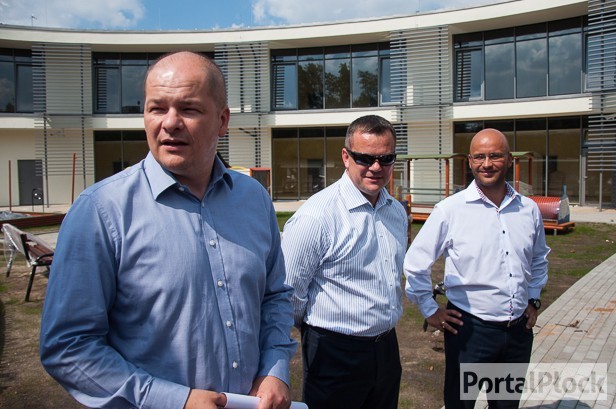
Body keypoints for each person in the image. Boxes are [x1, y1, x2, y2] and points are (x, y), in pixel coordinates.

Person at [40, 51, 297, 409]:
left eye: (189, 109)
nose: (170, 122)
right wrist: (173, 400)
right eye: (157, 108)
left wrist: (275, 368)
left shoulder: (254, 199)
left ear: (222, 120)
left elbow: (274, 297)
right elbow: (69, 346)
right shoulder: (100, 211)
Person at [404, 128, 550, 408]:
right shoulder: (450, 210)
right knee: (461, 404)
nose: (487, 164)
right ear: (470, 162)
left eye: (495, 156)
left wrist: (533, 299)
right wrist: (429, 309)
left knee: (505, 404)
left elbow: (539, 258)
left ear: (509, 160)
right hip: (470, 332)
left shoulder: (528, 209)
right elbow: (415, 264)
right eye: (479, 157)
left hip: (518, 333)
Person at [282, 115, 408, 409]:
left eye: (386, 158)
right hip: (334, 353)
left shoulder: (396, 211)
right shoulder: (316, 217)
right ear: (345, 156)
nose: (376, 167)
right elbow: (289, 294)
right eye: (365, 158)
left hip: (386, 347)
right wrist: (318, 333)